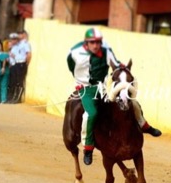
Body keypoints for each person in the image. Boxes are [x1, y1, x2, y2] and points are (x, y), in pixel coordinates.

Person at [67, 27, 162, 166]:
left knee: (132, 103)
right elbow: (71, 66)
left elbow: (116, 64)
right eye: (92, 42)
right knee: (91, 114)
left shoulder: (106, 52)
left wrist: (122, 67)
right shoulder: (77, 54)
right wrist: (79, 80)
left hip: (104, 87)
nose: (95, 45)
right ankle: (88, 148)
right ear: (86, 43)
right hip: (86, 89)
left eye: (98, 42)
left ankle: (145, 126)